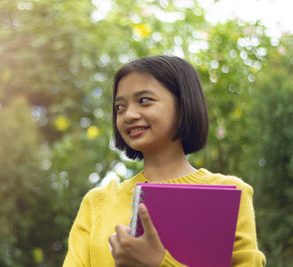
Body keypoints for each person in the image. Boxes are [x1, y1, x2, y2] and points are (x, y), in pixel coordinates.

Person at [63, 56, 266, 266]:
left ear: (183, 105)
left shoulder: (231, 193)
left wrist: (158, 262)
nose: (129, 115)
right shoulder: (98, 203)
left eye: (144, 101)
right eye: (120, 107)